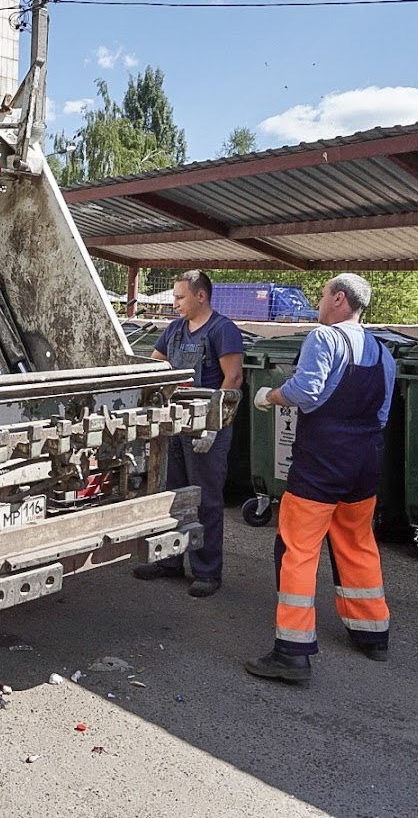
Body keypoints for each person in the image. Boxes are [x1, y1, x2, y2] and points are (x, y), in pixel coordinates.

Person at [243, 273, 394, 683]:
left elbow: (307, 392)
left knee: (299, 549)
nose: (320, 301)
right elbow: (382, 415)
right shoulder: (383, 352)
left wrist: (268, 396)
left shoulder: (324, 338)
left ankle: (291, 652)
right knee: (357, 542)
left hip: (322, 460)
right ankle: (372, 635)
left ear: (339, 299)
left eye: (323, 294)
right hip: (364, 462)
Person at [132, 270, 244, 597]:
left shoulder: (223, 331)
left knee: (205, 499)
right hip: (175, 425)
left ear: (201, 296)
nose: (175, 303)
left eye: (180, 297)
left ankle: (207, 571)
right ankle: (169, 561)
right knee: (172, 494)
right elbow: (154, 366)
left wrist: (212, 425)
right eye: (174, 297)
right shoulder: (175, 330)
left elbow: (233, 379)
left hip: (206, 428)